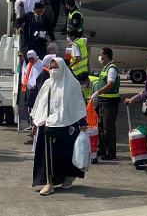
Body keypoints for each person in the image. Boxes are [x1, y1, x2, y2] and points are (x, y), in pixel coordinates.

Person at [31, 58, 88, 196]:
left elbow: (78, 104)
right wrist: (35, 122)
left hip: (68, 124)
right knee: (47, 155)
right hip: (48, 124)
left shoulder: (71, 84)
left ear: (62, 68)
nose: (53, 70)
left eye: (56, 67)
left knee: (65, 154)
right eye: (51, 68)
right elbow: (40, 104)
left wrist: (82, 123)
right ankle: (48, 183)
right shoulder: (47, 84)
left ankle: (69, 177)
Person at [90, 47, 120, 160]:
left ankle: (111, 151)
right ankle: (102, 148)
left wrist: (98, 92)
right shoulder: (105, 67)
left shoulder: (112, 68)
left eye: (101, 54)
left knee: (109, 128)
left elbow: (110, 84)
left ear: (106, 56)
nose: (100, 56)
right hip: (103, 101)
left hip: (110, 102)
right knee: (101, 126)